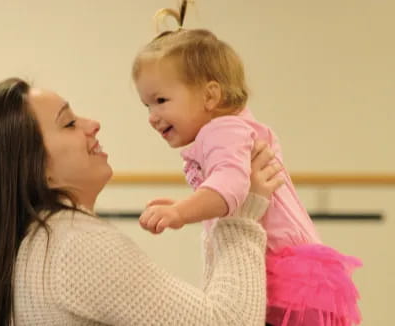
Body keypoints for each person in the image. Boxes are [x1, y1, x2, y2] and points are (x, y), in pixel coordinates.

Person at [0, 77, 282, 325]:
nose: (93, 124)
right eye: (69, 123)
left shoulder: (36, 242)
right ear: (38, 169)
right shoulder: (73, 245)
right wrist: (241, 215)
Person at [132, 1, 362, 325]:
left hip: (282, 278)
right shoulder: (235, 128)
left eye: (161, 101)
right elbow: (231, 195)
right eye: (146, 105)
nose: (152, 118)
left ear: (210, 96)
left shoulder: (222, 131)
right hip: (295, 274)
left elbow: (231, 188)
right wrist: (195, 205)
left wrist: (180, 212)